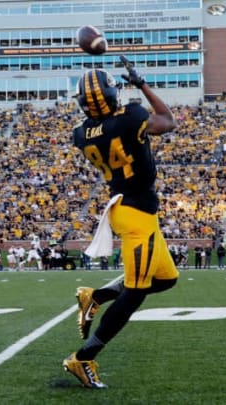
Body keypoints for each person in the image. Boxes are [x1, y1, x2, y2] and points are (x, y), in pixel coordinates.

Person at [64, 56, 179, 388]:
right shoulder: (129, 116)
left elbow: (105, 124)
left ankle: (95, 296)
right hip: (136, 214)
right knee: (135, 293)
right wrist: (140, 82)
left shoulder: (81, 133)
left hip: (131, 209)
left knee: (166, 280)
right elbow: (168, 121)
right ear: (111, 95)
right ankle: (83, 358)